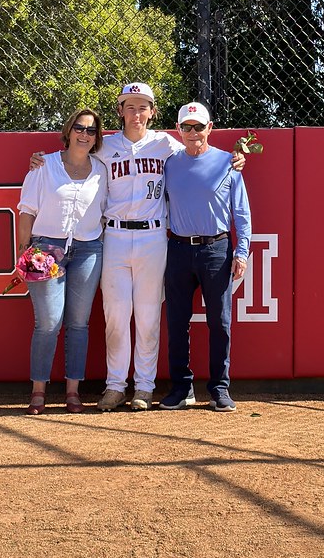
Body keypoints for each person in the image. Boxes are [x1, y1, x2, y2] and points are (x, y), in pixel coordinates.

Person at [31, 83, 245, 412]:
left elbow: (197, 151)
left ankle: (144, 387)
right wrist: (40, 161)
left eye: (143, 107)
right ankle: (116, 386)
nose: (136, 113)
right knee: (115, 316)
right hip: (114, 236)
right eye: (129, 107)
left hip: (154, 237)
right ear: (120, 111)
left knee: (147, 317)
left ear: (153, 112)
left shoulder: (166, 144)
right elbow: (69, 156)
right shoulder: (104, 147)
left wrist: (235, 160)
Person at [160, 101, 251, 412]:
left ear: (210, 128)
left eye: (199, 126)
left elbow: (241, 212)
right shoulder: (170, 164)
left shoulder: (229, 163)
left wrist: (242, 251)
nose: (193, 132)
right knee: (176, 322)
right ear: (178, 130)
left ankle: (220, 388)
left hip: (216, 249)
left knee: (220, 323)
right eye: (187, 127)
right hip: (178, 249)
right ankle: (181, 388)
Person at [17, 108, 107, 415]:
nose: (84, 134)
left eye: (91, 131)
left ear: (97, 138)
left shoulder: (101, 169)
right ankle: (39, 391)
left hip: (88, 250)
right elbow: (27, 209)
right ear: (68, 131)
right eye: (80, 128)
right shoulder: (44, 165)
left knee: (79, 324)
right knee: (48, 323)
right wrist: (23, 251)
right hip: (46, 249)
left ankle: (73, 391)